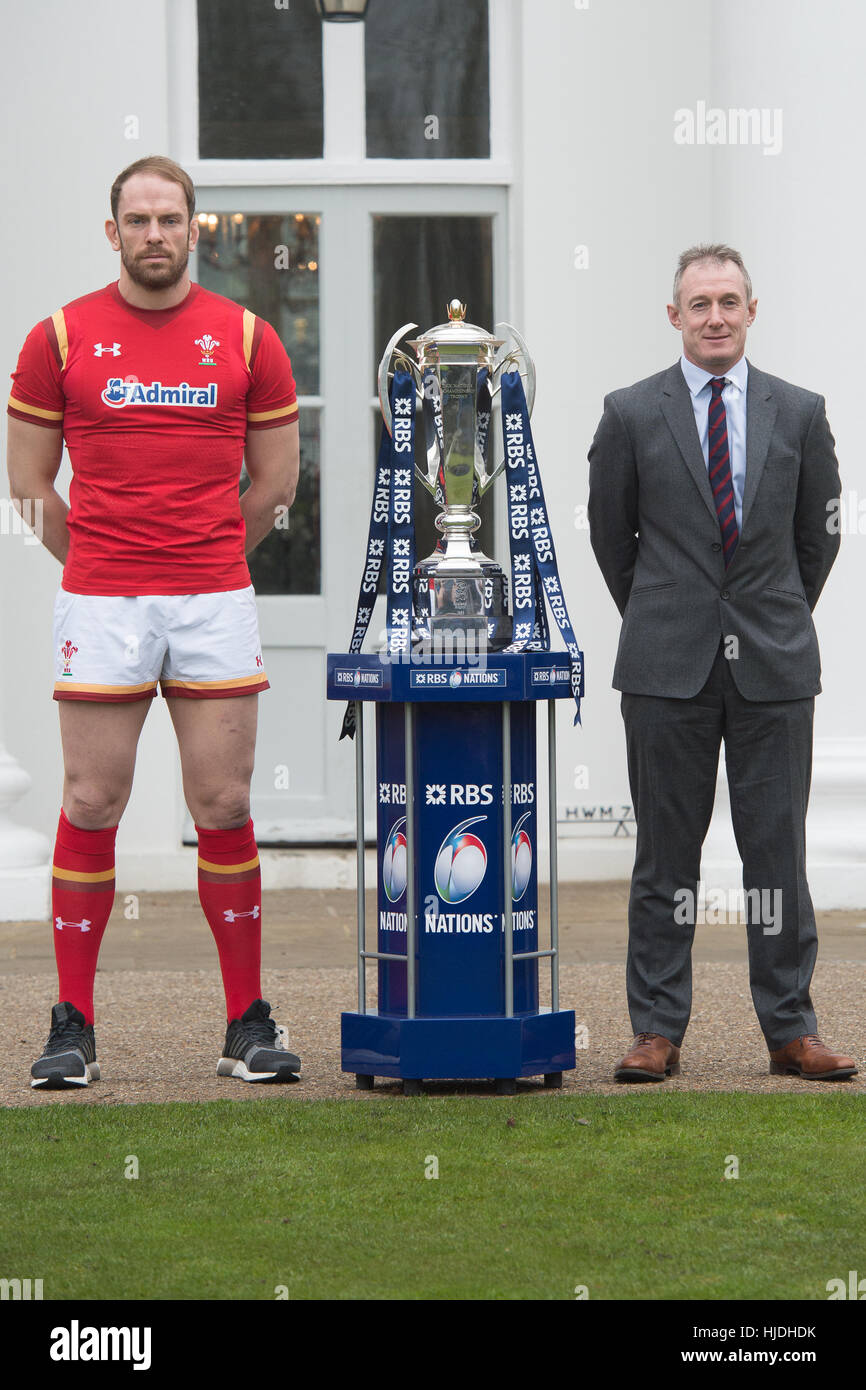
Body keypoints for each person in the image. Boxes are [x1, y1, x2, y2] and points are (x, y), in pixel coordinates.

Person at [7, 155, 302, 1088]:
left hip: (213, 598)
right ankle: (72, 1025)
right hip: (101, 599)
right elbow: (29, 488)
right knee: (91, 802)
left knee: (223, 804)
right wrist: (102, 565)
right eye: (137, 221)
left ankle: (247, 1025)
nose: (154, 235)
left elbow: (276, 487)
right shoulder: (57, 337)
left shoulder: (250, 337)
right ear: (113, 233)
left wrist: (204, 560)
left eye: (170, 219)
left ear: (193, 229)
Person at [587, 243, 856, 1083]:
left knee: (776, 854)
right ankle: (657, 1030)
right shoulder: (630, 412)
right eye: (698, 304)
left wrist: (767, 614)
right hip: (666, 667)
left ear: (750, 311)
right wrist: (672, 614)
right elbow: (611, 537)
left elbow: (822, 537)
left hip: (774, 667)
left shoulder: (801, 412)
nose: (714, 317)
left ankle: (791, 1028)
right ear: (675, 316)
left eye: (729, 302)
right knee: (667, 857)